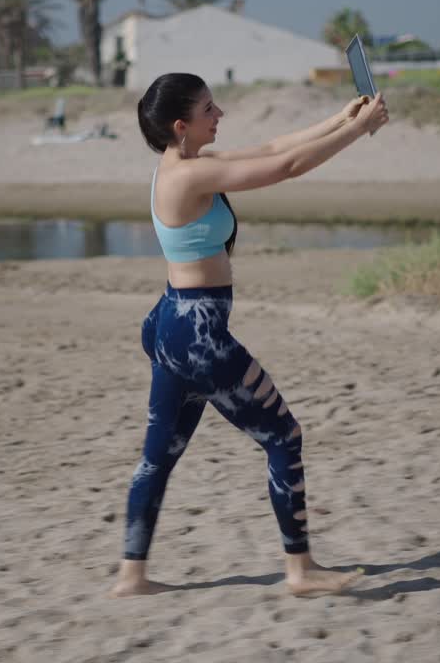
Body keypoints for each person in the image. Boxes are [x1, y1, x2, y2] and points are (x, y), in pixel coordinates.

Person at [110, 73, 389, 598]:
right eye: (210, 109)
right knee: (284, 437)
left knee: (158, 456)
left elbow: (273, 147)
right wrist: (363, 130)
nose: (220, 115)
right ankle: (300, 570)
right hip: (197, 333)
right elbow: (284, 168)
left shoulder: (184, 164)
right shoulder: (186, 179)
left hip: (170, 324)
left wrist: (343, 118)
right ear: (181, 125)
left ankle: (131, 575)